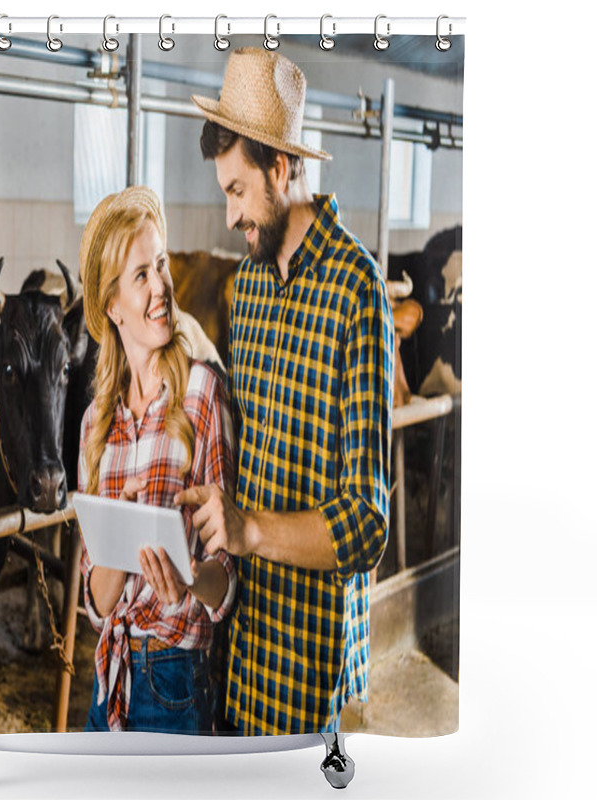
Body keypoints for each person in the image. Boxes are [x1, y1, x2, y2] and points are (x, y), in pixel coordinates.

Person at [177, 47, 394, 735]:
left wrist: (252, 529)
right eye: (225, 195)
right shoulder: (245, 293)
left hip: (313, 669)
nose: (232, 215)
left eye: (239, 190)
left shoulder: (357, 292)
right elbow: (249, 462)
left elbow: (367, 524)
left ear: (282, 165)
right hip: (245, 648)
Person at [77, 185, 237, 734]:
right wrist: (120, 547)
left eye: (161, 265)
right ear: (112, 306)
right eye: (140, 275)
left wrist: (189, 577)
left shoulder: (201, 395)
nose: (162, 286)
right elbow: (97, 600)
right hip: (108, 681)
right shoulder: (95, 423)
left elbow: (226, 582)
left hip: (175, 685)